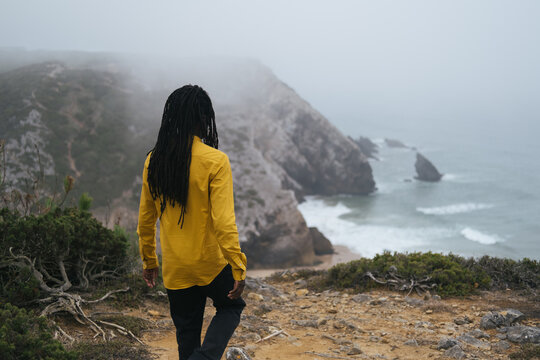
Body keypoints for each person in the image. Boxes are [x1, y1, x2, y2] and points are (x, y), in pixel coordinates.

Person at [137, 85, 247, 360]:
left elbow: (146, 219)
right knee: (232, 307)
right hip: (210, 264)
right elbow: (223, 222)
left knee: (187, 337)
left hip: (176, 269)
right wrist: (237, 264)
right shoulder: (215, 161)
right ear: (203, 119)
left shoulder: (154, 160)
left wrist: (149, 261)